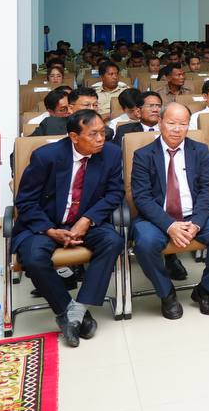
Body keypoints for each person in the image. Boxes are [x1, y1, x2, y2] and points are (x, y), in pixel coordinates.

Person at [10, 110, 124, 347]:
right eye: (93, 134)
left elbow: (115, 193)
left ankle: (79, 308)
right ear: (74, 136)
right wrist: (49, 230)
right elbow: (25, 201)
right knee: (33, 258)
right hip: (46, 224)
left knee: (112, 241)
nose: (100, 139)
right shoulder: (46, 157)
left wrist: (87, 220)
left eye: (102, 132)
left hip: (85, 221)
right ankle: (67, 310)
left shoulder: (111, 154)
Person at [129, 103, 209, 318]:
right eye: (171, 123)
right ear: (160, 122)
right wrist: (170, 225)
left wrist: (197, 223)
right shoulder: (143, 155)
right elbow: (142, 198)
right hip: (157, 218)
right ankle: (166, 293)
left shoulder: (199, 150)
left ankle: (206, 290)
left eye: (183, 124)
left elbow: (208, 189)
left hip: (193, 214)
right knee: (145, 243)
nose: (177, 129)